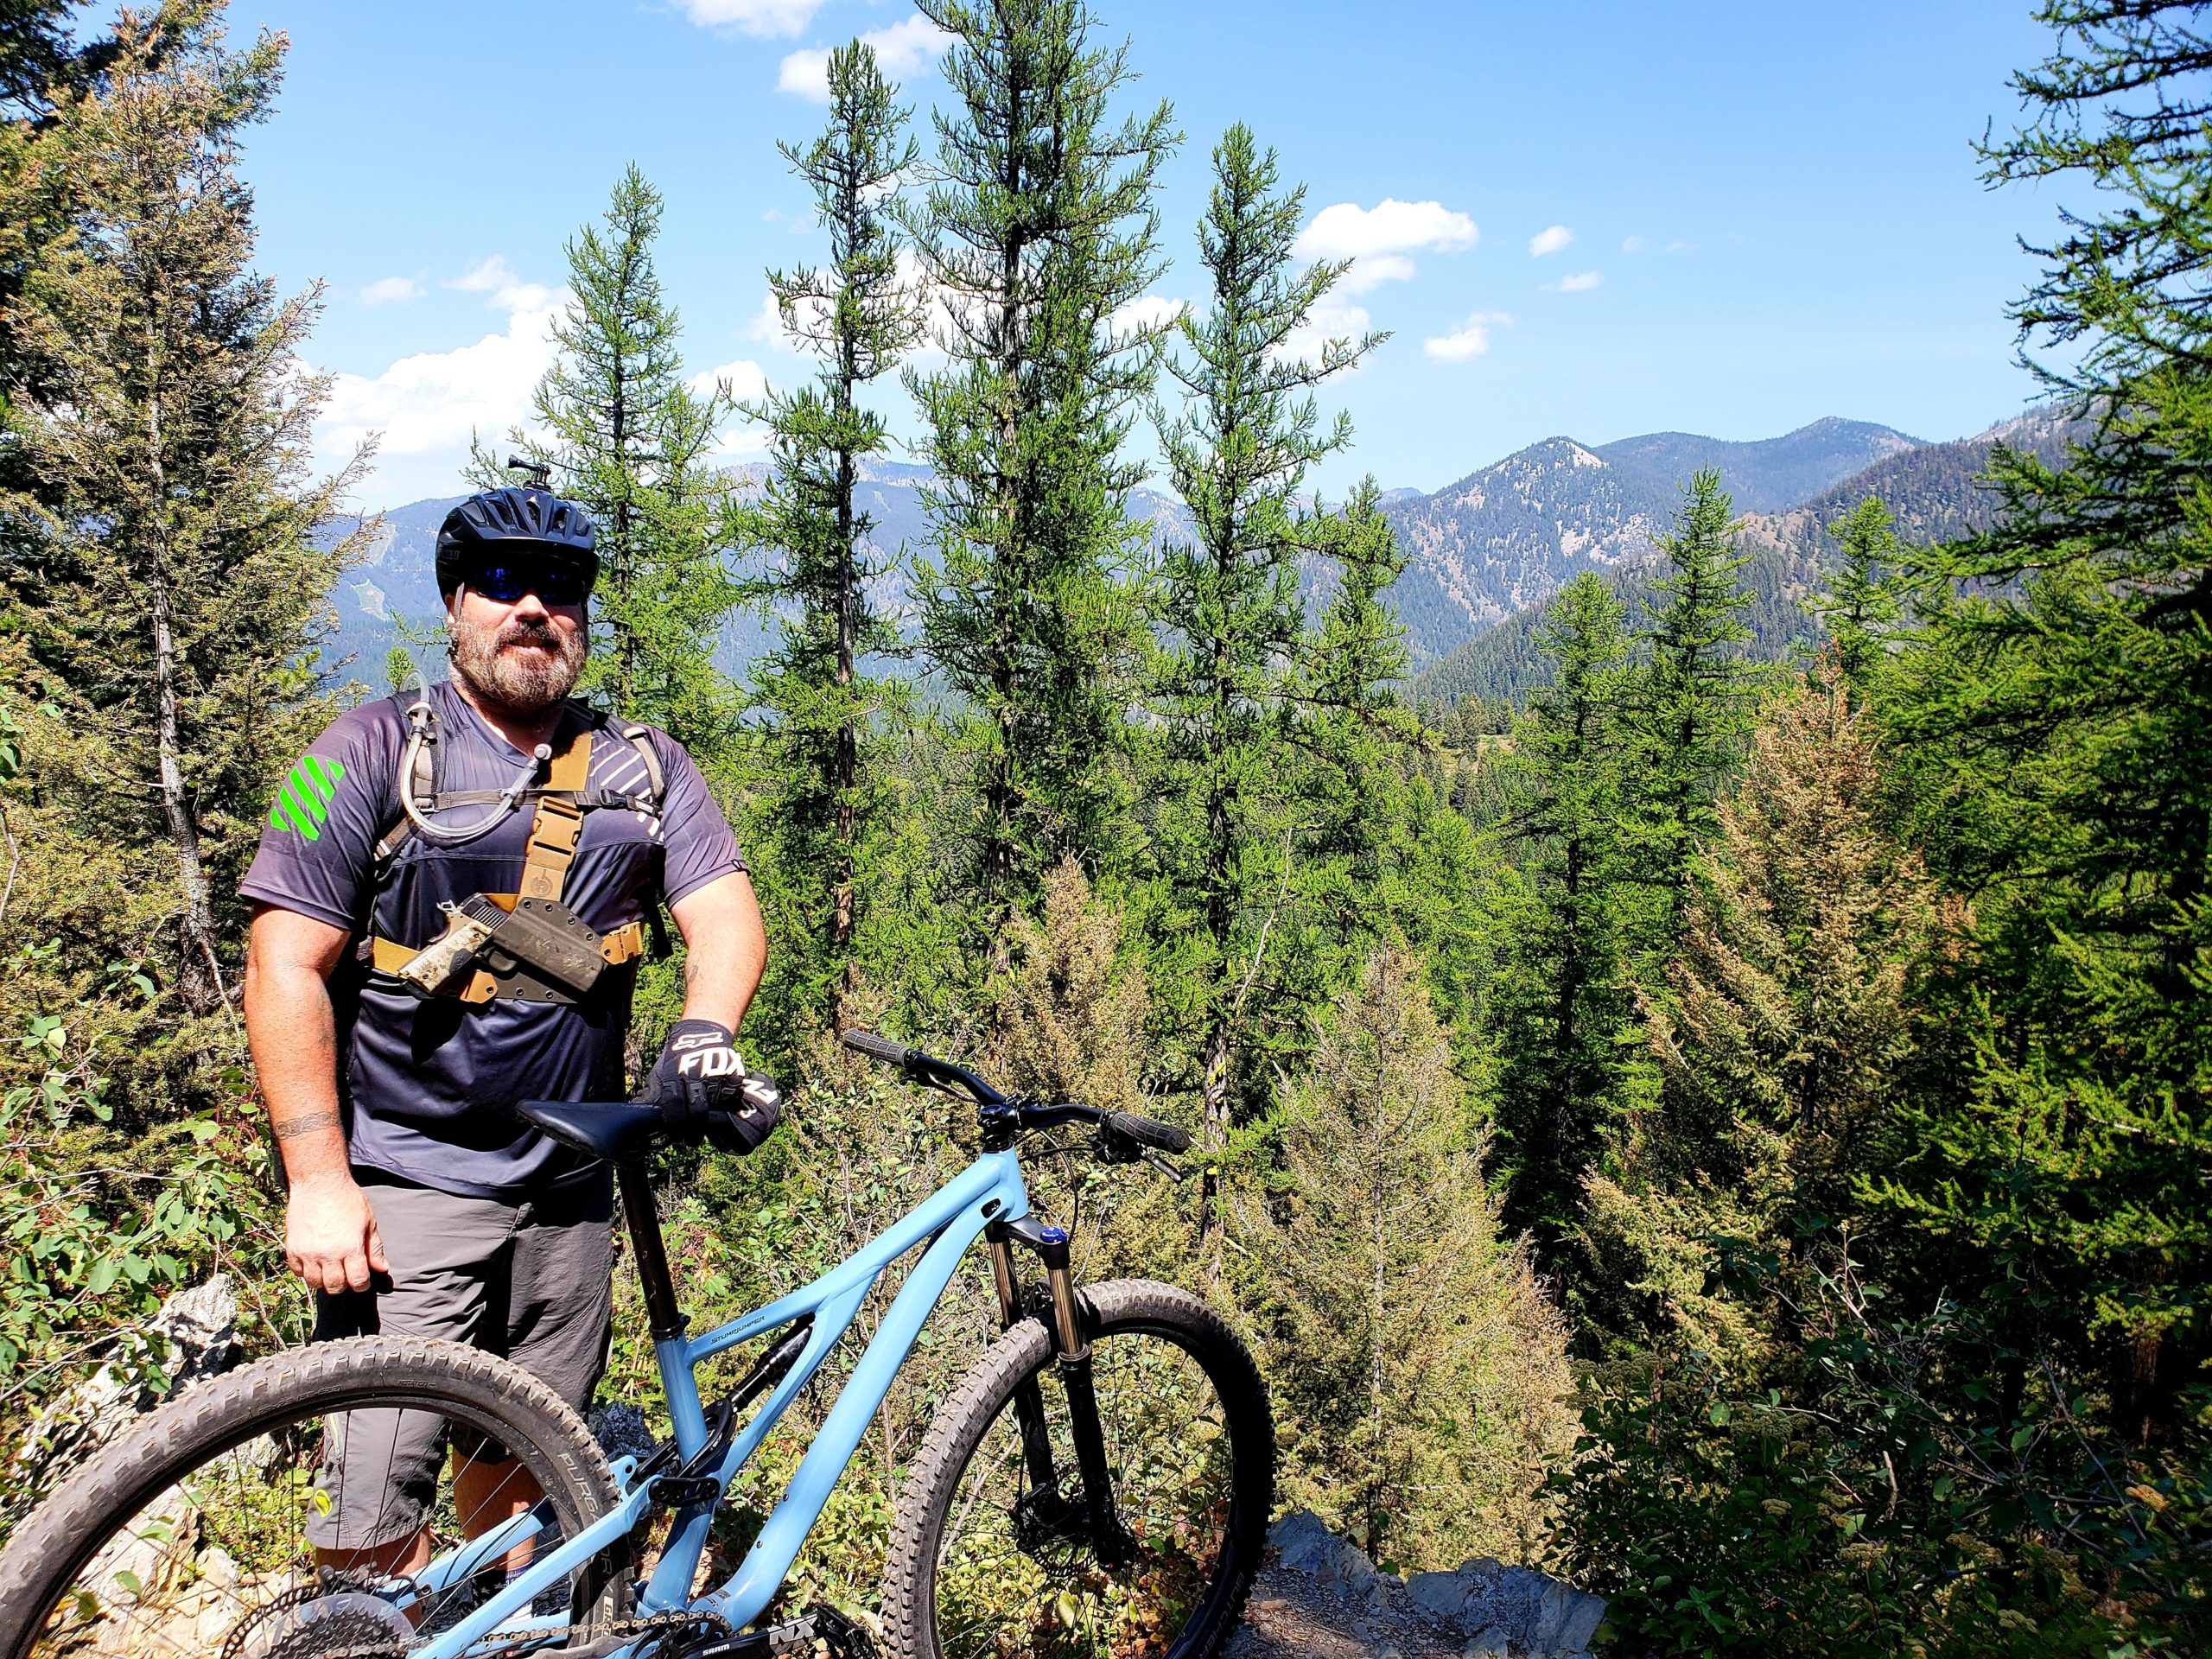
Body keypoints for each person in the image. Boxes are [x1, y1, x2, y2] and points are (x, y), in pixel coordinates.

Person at [240, 474, 773, 1576]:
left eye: (560, 585)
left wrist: (702, 1025)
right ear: (453, 604)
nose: (531, 605)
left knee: (529, 1454)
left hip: (569, 1196)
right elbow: (281, 961)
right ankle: (366, 1648)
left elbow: (722, 910)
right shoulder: (355, 753)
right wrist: (316, 1178)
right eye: (499, 581)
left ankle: (494, 1624)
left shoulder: (649, 767)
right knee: (374, 1495)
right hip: (405, 1188)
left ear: (582, 612)